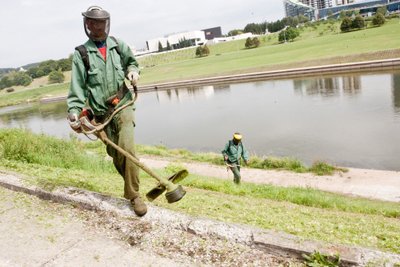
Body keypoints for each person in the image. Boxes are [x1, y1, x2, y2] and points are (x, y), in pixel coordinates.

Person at [66, 6, 146, 216]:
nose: (97, 26)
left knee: (127, 147)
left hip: (123, 105)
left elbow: (132, 63)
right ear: (87, 25)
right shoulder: (81, 54)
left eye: (100, 22)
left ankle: (134, 195)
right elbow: (77, 89)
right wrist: (74, 112)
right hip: (101, 115)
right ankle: (132, 186)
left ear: (107, 23)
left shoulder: (119, 46)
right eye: (92, 22)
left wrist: (133, 72)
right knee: (117, 154)